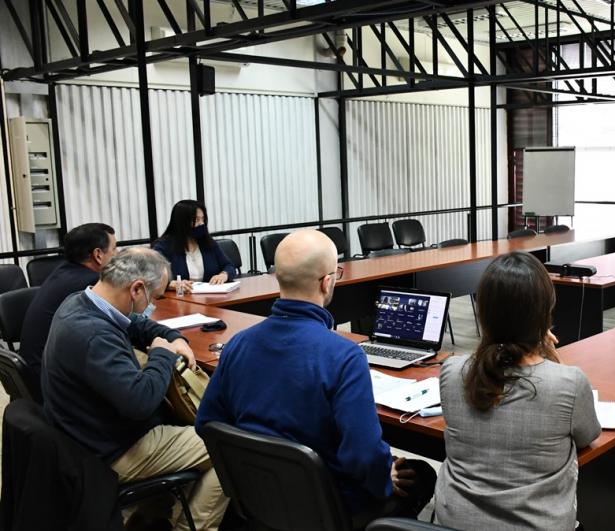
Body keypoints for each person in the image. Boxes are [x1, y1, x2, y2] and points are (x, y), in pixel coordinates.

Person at [196, 229, 435, 529]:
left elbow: (207, 422)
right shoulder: (344, 356)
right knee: (421, 474)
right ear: (328, 281)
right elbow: (362, 456)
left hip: (258, 501)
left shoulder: (237, 345)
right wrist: (383, 475)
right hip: (328, 509)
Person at [42, 248, 228, 531]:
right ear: (137, 289)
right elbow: (141, 402)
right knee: (227, 446)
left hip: (87, 437)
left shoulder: (82, 303)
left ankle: (162, 513)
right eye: (154, 298)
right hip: (112, 450)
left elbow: (138, 325)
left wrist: (172, 337)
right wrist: (162, 355)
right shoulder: (93, 335)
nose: (153, 305)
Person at [434, 252, 601, 531]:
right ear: (545, 314)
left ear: (482, 311)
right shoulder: (568, 383)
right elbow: (588, 434)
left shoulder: (452, 371)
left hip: (455, 524)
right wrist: (548, 354)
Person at [20, 223, 116, 401]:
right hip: (52, 383)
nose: (116, 257)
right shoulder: (90, 283)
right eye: (114, 250)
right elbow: (117, 327)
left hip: (34, 371)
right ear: (98, 255)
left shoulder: (64, 271)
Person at [153, 199, 235, 294]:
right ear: (182, 222)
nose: (201, 224)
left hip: (209, 297)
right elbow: (153, 277)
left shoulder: (208, 242)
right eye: (196, 220)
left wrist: (224, 275)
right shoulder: (164, 245)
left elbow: (229, 266)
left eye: (203, 219)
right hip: (179, 300)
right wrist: (172, 284)